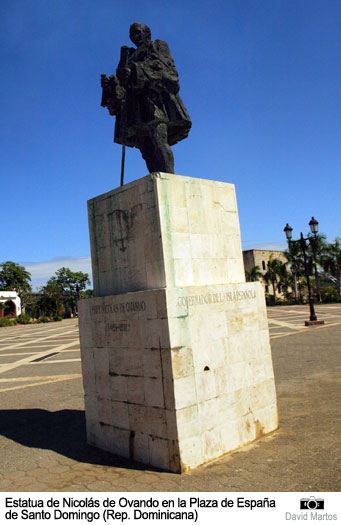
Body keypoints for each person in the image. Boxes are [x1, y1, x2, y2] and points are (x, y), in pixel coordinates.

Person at [101, 22, 191, 173]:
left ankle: (169, 179)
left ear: (146, 32)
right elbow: (122, 91)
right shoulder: (129, 56)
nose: (135, 37)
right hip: (136, 109)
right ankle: (155, 177)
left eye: (137, 33)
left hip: (154, 103)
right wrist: (111, 86)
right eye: (132, 35)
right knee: (145, 147)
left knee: (158, 138)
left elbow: (165, 70)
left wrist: (136, 71)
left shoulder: (157, 46)